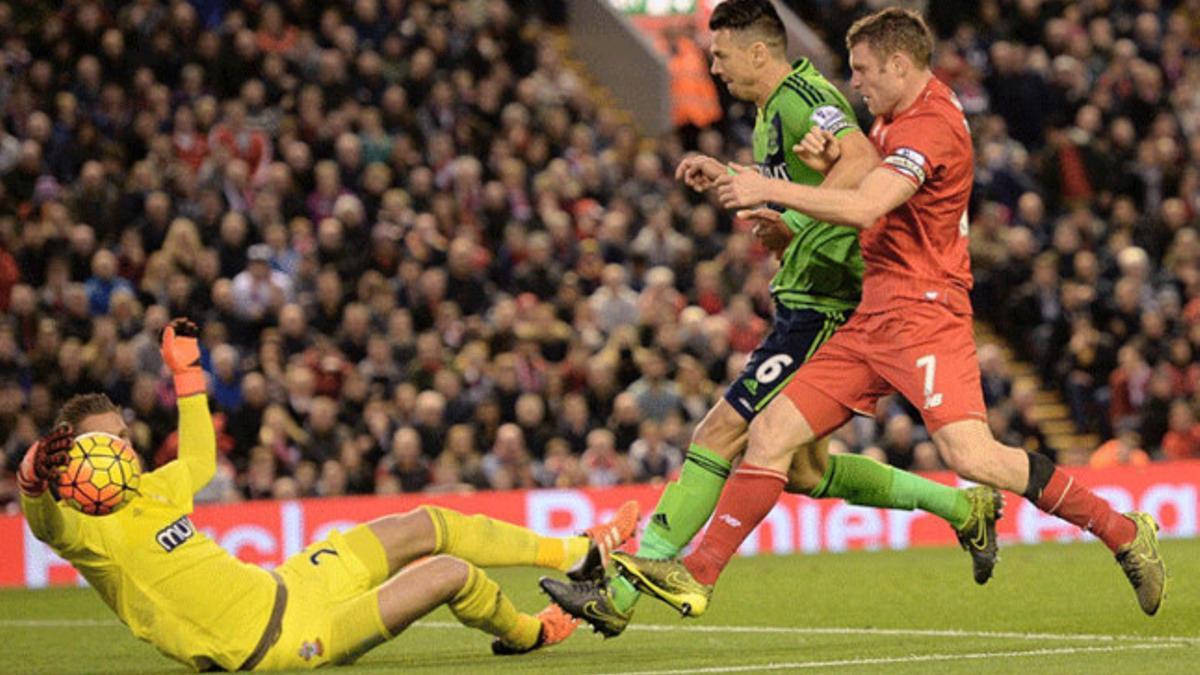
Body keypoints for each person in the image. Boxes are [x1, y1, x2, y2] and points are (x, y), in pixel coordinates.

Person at [612, 7, 1165, 619]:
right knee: (769, 435)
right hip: (873, 314)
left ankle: (1121, 531)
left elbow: (867, 206)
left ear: (900, 65)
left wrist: (767, 188)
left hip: (925, 314)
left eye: (864, 71)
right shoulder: (894, 118)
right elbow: (857, 185)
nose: (857, 84)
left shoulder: (928, 126)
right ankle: (698, 574)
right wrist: (809, 174)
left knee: (973, 457)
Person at [542, 0, 1001, 638]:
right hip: (805, 295)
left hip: (825, 303)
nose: (712, 65)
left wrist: (784, 208)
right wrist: (750, 187)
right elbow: (818, 185)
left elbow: (859, 168)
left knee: (720, 433)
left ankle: (620, 591)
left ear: (759, 52)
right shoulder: (768, 112)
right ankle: (963, 506)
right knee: (805, 470)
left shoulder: (801, 97)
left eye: (721, 53)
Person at [17, 318, 640, 670]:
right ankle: (531, 633)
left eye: (122, 438)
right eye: (104, 446)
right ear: (73, 461)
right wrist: (32, 481)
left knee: (423, 522)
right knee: (451, 572)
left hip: (289, 585)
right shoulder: (87, 536)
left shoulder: (154, 492)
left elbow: (201, 458)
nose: (118, 453)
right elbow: (44, 524)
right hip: (282, 645)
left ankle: (576, 557)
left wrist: (188, 375)